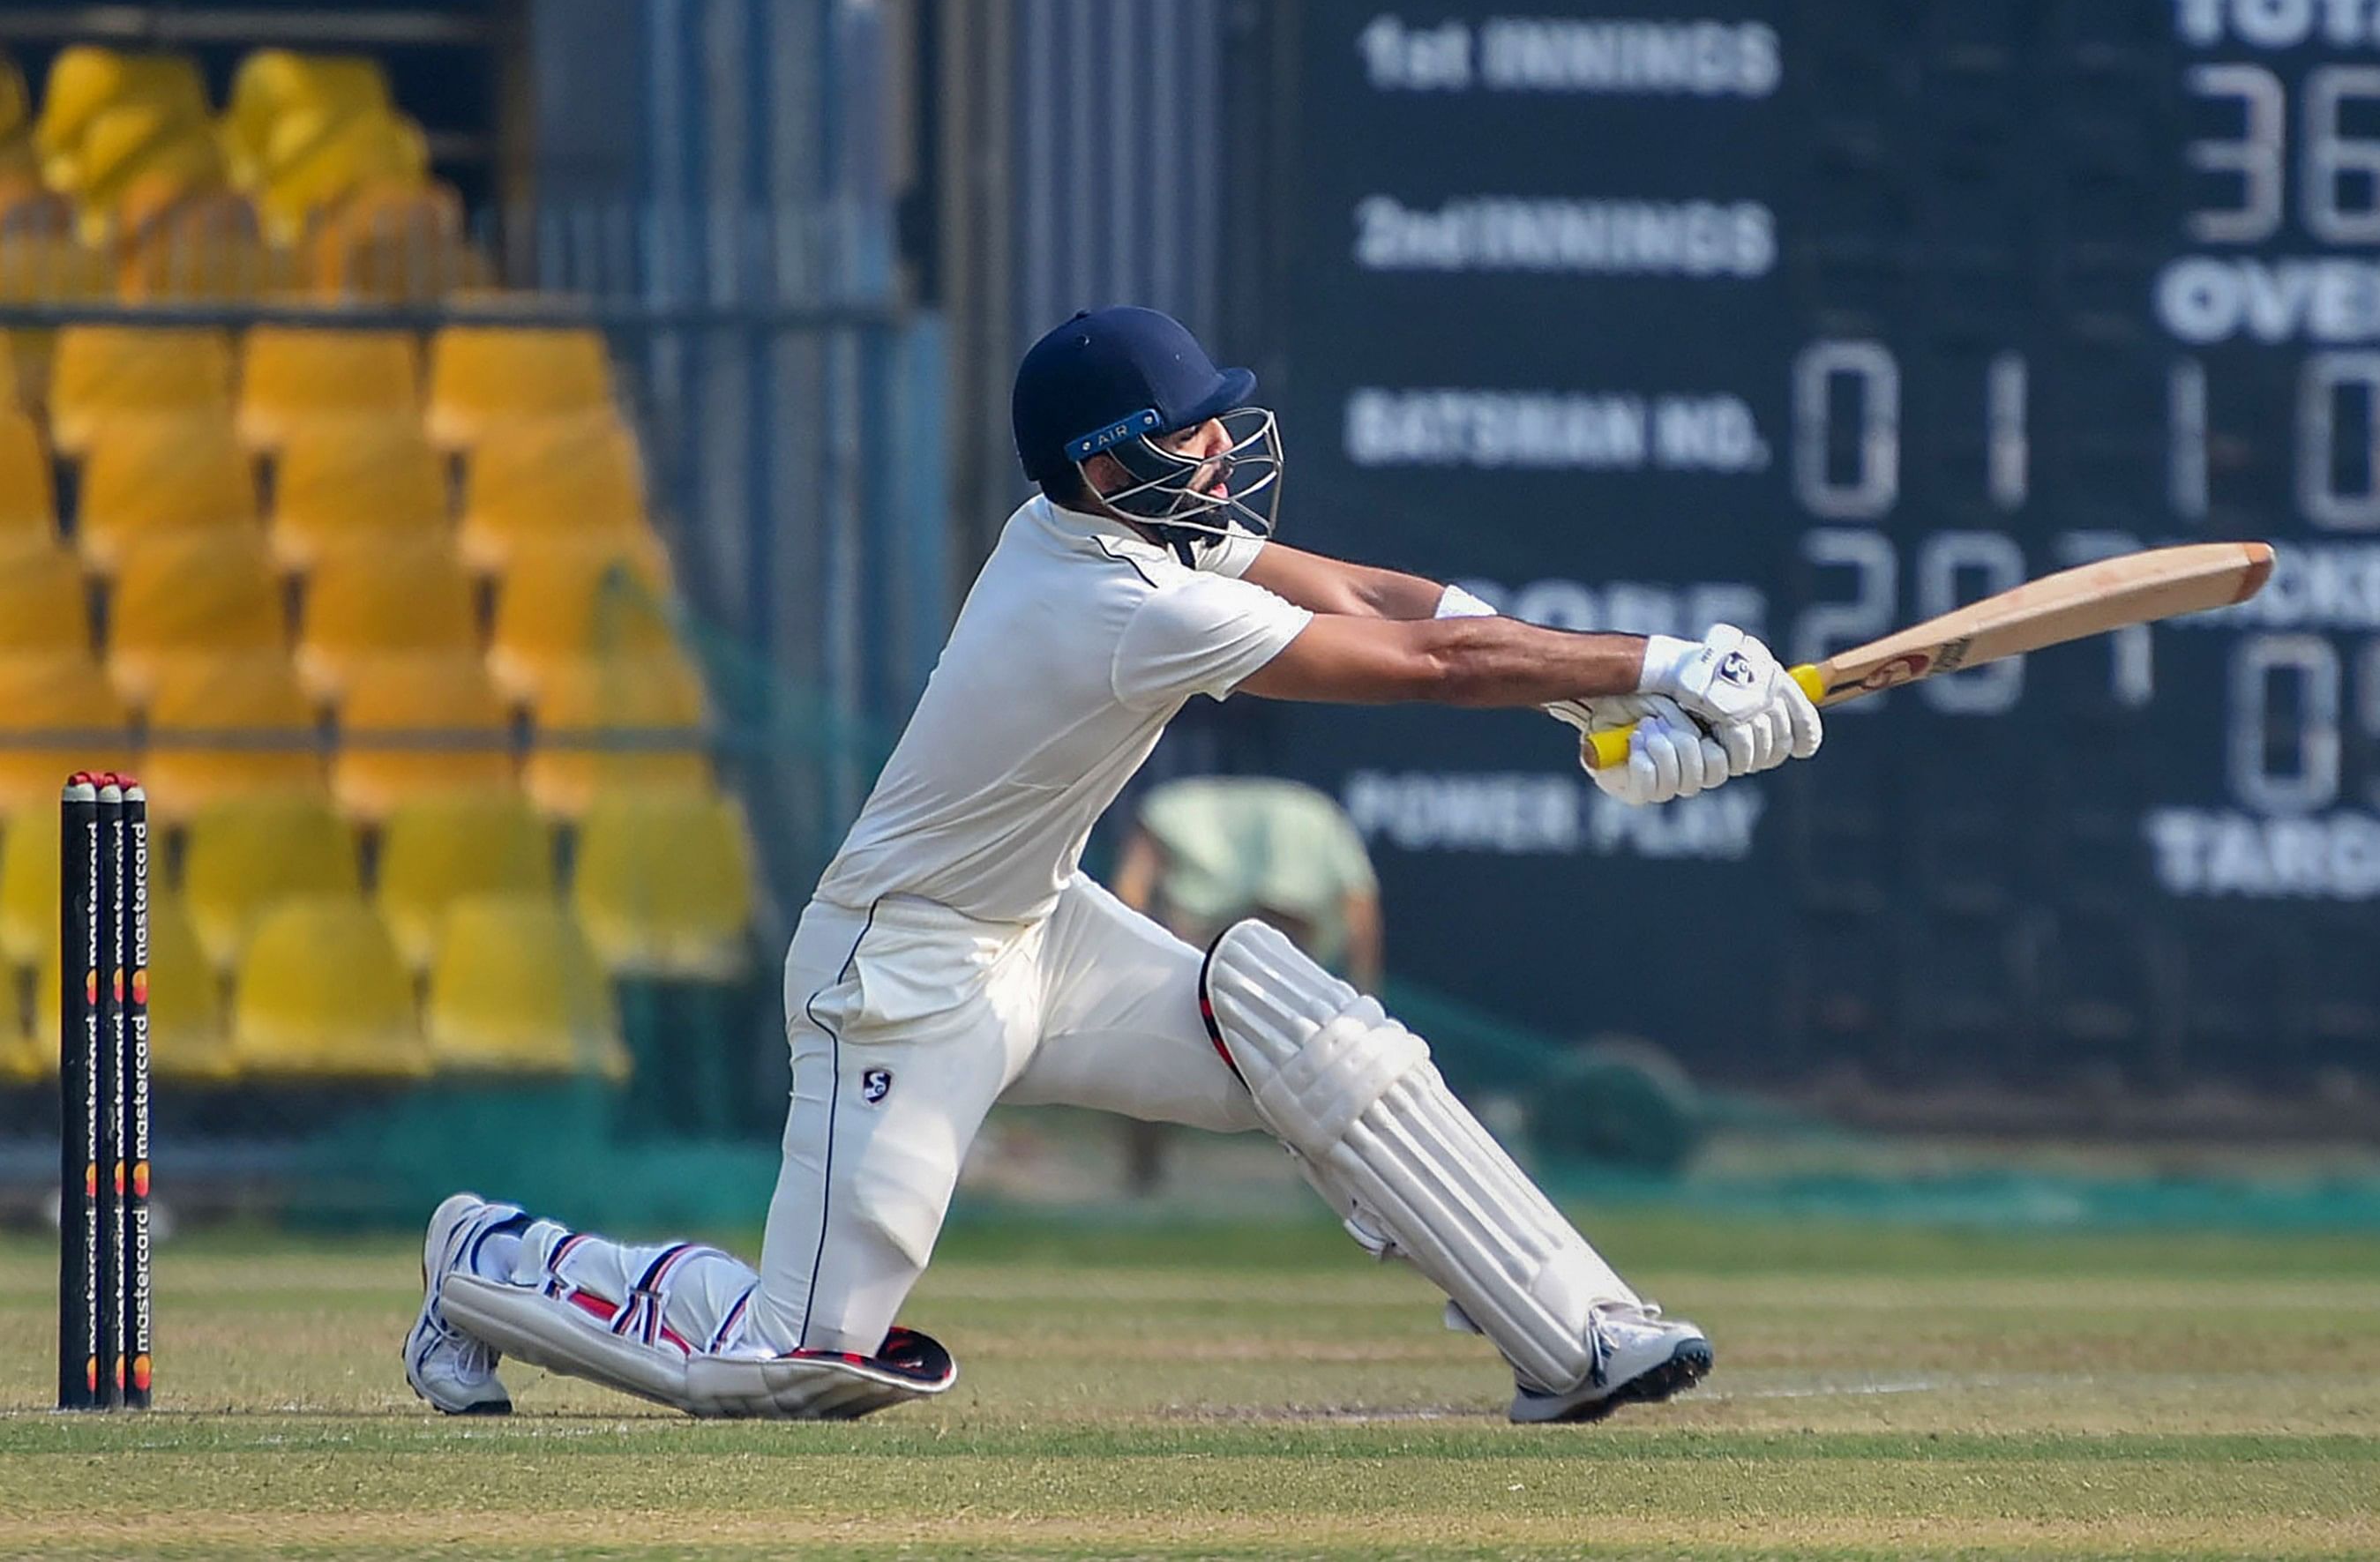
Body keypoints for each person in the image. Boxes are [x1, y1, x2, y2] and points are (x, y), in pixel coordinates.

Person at [403, 306, 1822, 1422]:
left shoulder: (1123, 527)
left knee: (1317, 1042)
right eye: (1192, 430)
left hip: (1046, 938)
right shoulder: (1115, 604)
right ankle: (485, 1265)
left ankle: (1578, 1335)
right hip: (898, 974)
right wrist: (1663, 663)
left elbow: (1374, 595)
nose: (1220, 449)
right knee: (799, 1360)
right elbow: (1425, 665)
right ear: (1105, 459)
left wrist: (1596, 688)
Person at [1111, 777, 1381, 1193]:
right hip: (1273, 947)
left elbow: (1131, 888)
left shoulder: (1175, 807)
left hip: (1202, 951)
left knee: (1150, 1050)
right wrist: (1365, 992)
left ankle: (1145, 1173)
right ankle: (1338, 1179)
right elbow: (1360, 908)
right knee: (1312, 1063)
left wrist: (1135, 956)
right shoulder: (1314, 816)